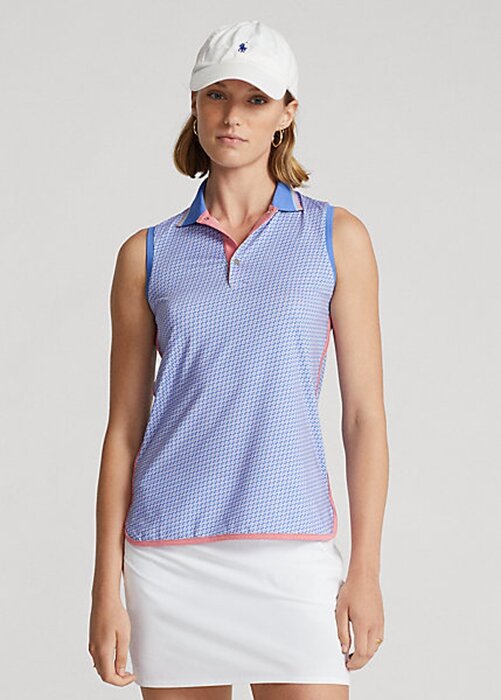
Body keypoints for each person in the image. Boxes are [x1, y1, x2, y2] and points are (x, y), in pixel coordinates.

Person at [88, 19, 388, 700]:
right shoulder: (147, 254)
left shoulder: (335, 237)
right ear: (194, 105)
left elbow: (364, 418)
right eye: (217, 95)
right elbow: (124, 430)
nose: (233, 116)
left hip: (291, 551)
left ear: (286, 113)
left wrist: (364, 571)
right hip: (168, 555)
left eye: (256, 99)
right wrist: (107, 586)